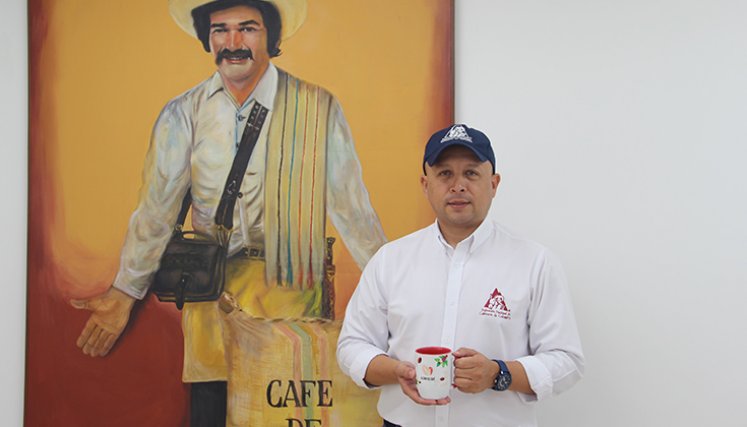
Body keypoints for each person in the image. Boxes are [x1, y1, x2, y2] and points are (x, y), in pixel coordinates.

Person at [70, 0, 386, 425]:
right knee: (212, 414)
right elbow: (156, 212)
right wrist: (125, 292)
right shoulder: (183, 113)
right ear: (207, 37)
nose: (233, 43)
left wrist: (395, 293)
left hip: (292, 303)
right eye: (220, 29)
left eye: (248, 28)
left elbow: (354, 213)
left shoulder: (318, 108)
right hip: (211, 304)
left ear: (271, 37)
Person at [337, 124, 584, 427]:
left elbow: (566, 361)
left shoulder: (535, 262)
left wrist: (498, 373)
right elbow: (352, 345)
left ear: (494, 184)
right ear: (425, 184)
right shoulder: (391, 260)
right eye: (444, 174)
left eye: (471, 173)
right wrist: (395, 371)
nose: (457, 186)